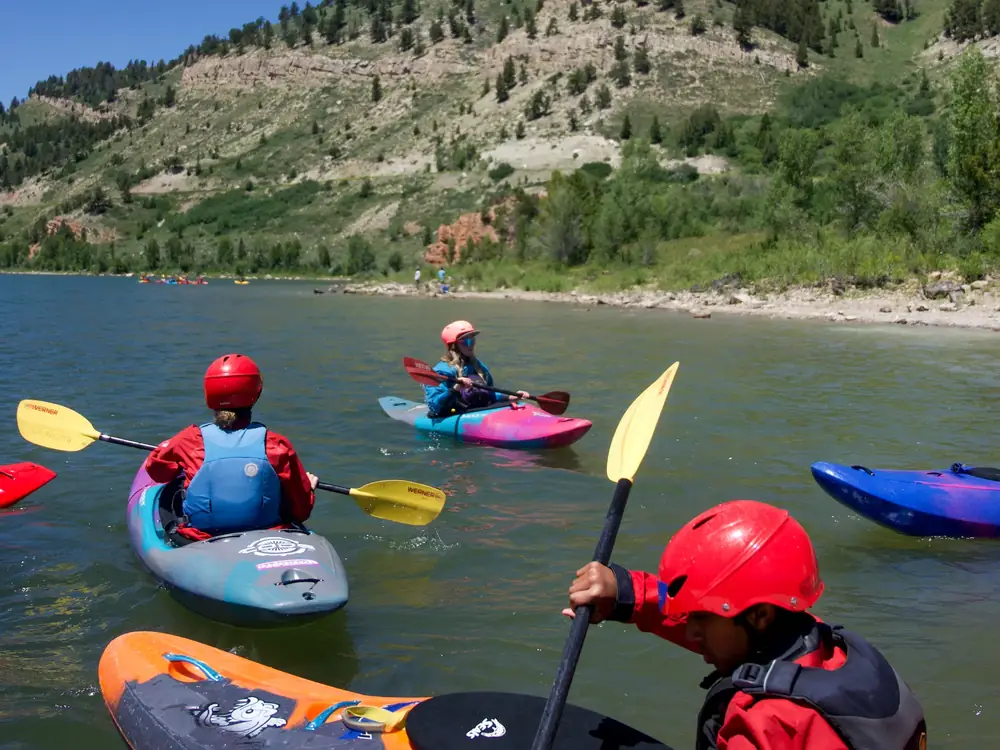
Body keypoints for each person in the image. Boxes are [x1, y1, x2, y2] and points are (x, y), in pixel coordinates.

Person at [563, 499, 927, 750]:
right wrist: (626, 594)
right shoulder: (823, 646)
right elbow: (717, 620)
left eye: (702, 620)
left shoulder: (768, 725)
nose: (690, 632)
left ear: (760, 616)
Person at [145, 353, 319, 543]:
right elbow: (302, 511)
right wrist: (308, 489)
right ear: (256, 393)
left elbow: (157, 472)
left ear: (209, 394)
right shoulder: (276, 444)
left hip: (201, 537)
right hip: (267, 533)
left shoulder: (190, 440)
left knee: (174, 490)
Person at [424, 320, 531, 418]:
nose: (470, 344)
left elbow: (488, 393)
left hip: (476, 409)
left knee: (517, 404)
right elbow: (435, 407)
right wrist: (455, 389)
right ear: (454, 345)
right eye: (465, 341)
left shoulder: (478, 366)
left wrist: (509, 397)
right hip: (451, 412)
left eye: (472, 340)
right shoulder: (442, 371)